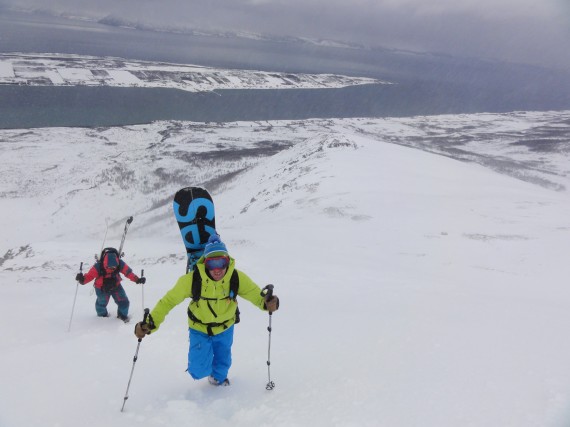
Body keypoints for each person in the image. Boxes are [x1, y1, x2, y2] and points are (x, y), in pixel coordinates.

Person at [134, 233, 279, 386]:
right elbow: (168, 301)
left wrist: (267, 302)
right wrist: (151, 323)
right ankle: (206, 367)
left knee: (223, 365)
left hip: (225, 328)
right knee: (198, 369)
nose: (217, 269)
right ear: (205, 263)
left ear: (227, 262)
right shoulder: (191, 280)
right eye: (212, 264)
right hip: (199, 328)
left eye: (221, 263)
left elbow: (255, 295)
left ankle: (217, 380)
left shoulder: (236, 278)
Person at [75, 248, 146, 322]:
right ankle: (102, 317)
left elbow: (128, 272)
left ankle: (122, 316)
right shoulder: (98, 266)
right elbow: (89, 276)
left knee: (124, 302)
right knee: (101, 303)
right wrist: (82, 280)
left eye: (114, 267)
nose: (112, 269)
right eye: (109, 267)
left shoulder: (119, 263)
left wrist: (137, 279)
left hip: (116, 285)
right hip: (101, 287)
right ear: (105, 264)